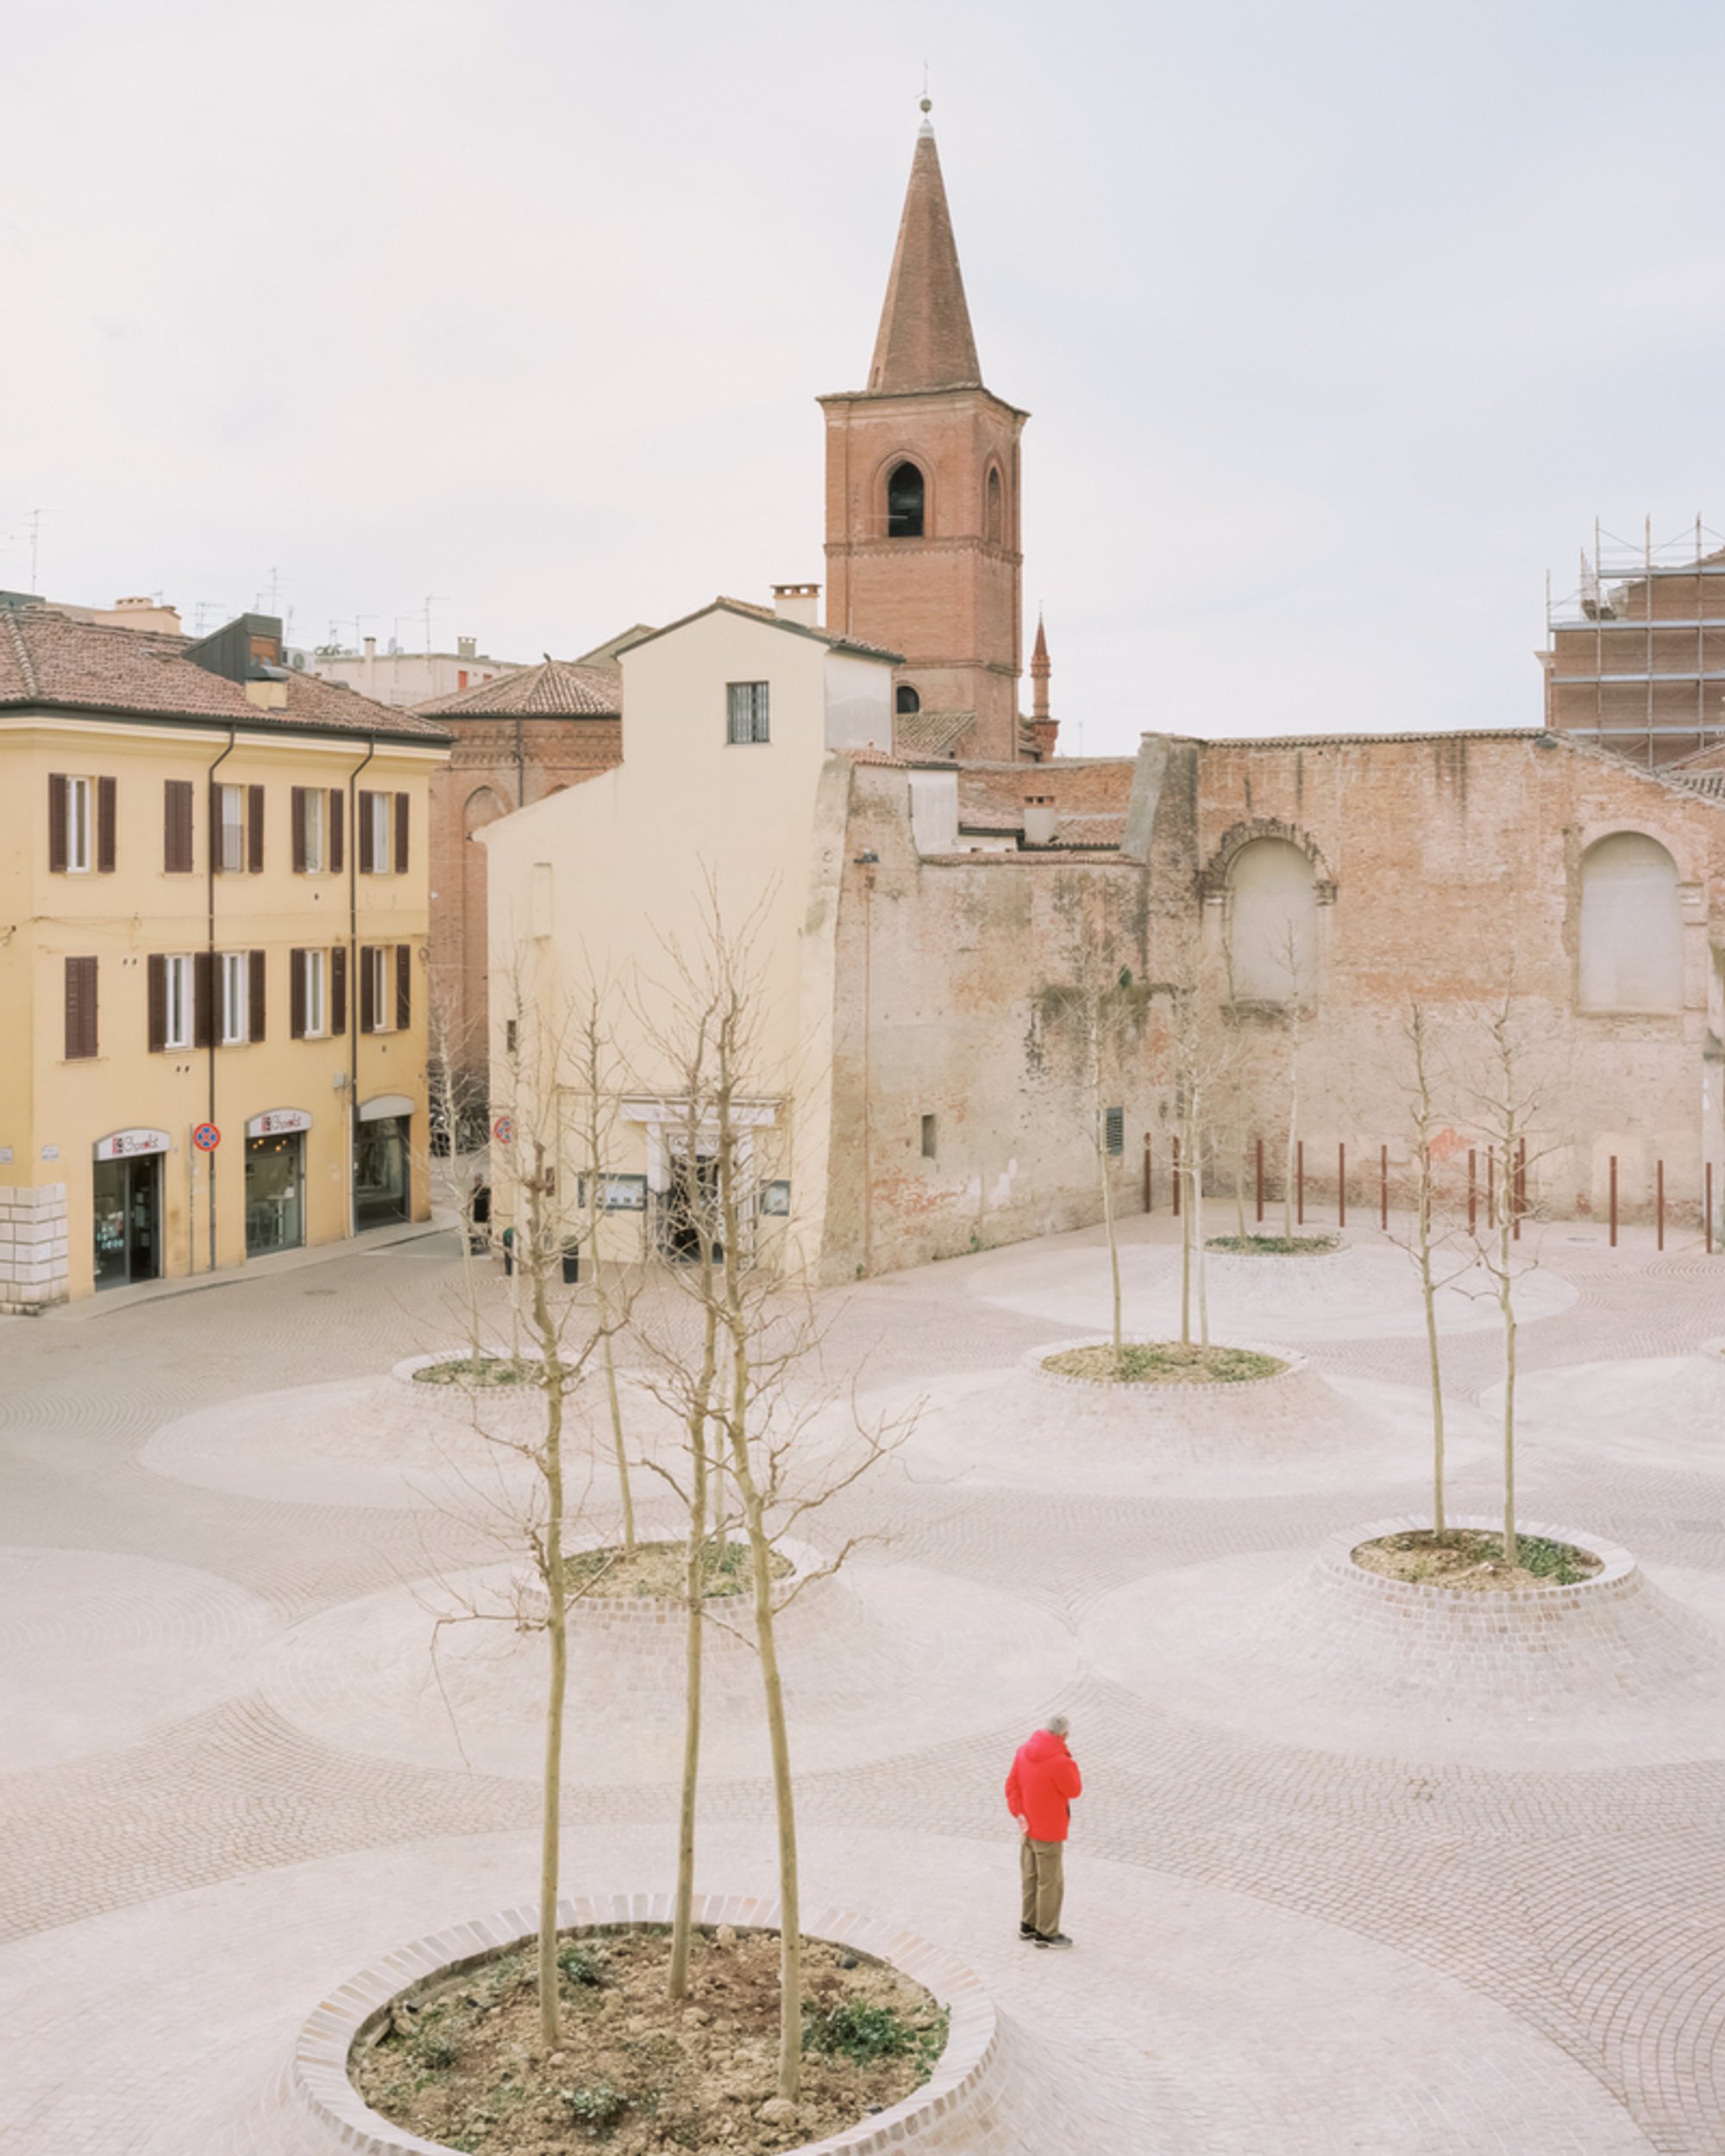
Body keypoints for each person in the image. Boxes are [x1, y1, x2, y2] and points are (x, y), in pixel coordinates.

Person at [1005, 1714, 1082, 1948]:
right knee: (1050, 1882)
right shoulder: (1061, 1761)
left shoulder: (1023, 1751)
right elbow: (1074, 1790)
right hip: (1049, 1830)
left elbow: (1011, 1785)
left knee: (1030, 1877)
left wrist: (1019, 1813)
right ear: (1064, 1735)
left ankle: (1027, 1924)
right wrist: (1070, 1760)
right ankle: (1046, 1932)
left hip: (1028, 1827)